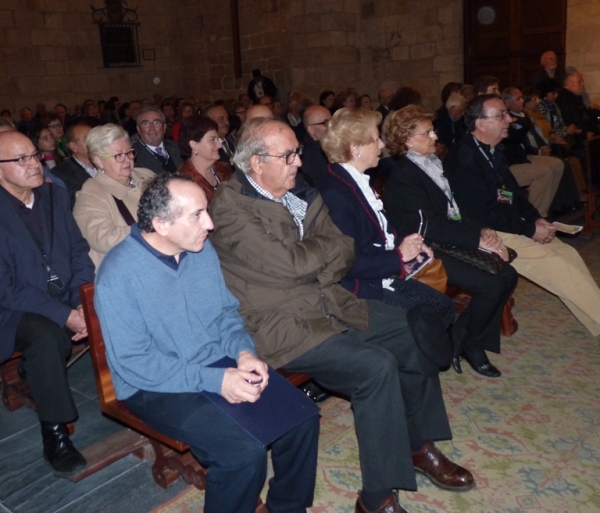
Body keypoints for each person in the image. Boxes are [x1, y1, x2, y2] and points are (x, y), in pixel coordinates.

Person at [210, 118, 475, 513]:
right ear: (256, 162)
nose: (299, 162)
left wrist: (315, 259)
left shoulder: (298, 192)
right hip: (281, 325)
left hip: (330, 303)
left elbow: (343, 246)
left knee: (410, 329)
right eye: (289, 155)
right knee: (375, 367)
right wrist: (319, 258)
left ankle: (417, 445)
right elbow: (289, 265)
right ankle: (376, 497)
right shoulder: (230, 208)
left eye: (297, 152)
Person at [94, 174, 319, 513]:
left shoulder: (198, 250)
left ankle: (288, 507)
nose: (209, 224)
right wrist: (216, 380)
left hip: (214, 361)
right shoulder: (119, 274)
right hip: (154, 386)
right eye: (197, 215)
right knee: (242, 454)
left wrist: (243, 353)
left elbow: (226, 314)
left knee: (302, 417)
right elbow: (135, 363)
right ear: (161, 224)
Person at [444, 94, 600, 336]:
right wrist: (529, 230)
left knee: (567, 253)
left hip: (504, 224)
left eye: (506, 113)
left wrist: (537, 219)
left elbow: (512, 193)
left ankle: (595, 322)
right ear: (480, 123)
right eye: (501, 115)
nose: (509, 119)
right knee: (557, 266)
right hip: (484, 235)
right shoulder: (464, 159)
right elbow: (483, 213)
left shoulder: (492, 151)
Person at [382, 105, 518, 377]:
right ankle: (471, 344)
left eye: (433, 131)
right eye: (427, 132)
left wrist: (482, 230)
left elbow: (455, 211)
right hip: (424, 250)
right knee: (490, 285)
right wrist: (476, 239)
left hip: (447, 239)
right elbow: (429, 226)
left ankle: (465, 334)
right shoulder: (404, 177)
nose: (435, 136)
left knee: (509, 274)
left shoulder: (432, 164)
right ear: (407, 139)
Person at [317, 107, 456, 345]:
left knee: (442, 306)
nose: (381, 145)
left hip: (381, 272)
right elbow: (348, 264)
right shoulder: (336, 194)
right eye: (375, 139)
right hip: (360, 289)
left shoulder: (355, 180)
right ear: (355, 148)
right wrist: (400, 256)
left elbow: (379, 233)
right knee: (436, 309)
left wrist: (408, 242)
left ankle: (423, 358)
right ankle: (415, 362)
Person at [0, 131, 95, 477]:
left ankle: (135, 398)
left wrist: (84, 298)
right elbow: (6, 288)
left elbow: (78, 251)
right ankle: (54, 434)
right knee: (47, 338)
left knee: (111, 307)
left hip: (62, 293)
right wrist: (65, 315)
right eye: (21, 159)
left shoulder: (54, 195)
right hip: (12, 308)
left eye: (34, 156)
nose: (34, 164)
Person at [73, 124, 155, 269]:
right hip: (126, 270)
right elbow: (105, 239)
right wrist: (155, 230)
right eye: (118, 155)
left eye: (129, 152)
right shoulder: (90, 195)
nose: (127, 160)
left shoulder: (147, 175)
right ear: (99, 161)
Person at [500, 87, 564, 218]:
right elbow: (513, 137)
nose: (522, 101)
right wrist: (519, 123)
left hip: (523, 155)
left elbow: (523, 136)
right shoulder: (505, 117)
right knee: (544, 172)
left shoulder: (522, 115)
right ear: (507, 102)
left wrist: (539, 151)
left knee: (557, 164)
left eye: (522, 97)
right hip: (511, 161)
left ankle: (543, 209)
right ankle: (533, 216)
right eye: (518, 98)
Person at [178, 115, 233, 206]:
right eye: (212, 140)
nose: (219, 145)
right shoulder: (184, 181)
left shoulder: (225, 169)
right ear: (194, 144)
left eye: (217, 139)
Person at [52, 124, 96, 208]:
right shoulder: (61, 174)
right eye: (87, 138)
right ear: (74, 147)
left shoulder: (107, 163)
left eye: (95, 137)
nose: (94, 141)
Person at [131, 106, 183, 174]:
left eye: (156, 123)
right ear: (138, 129)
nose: (152, 128)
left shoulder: (176, 147)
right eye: (146, 124)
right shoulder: (133, 156)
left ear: (164, 127)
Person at [300, 105, 331, 186]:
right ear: (311, 130)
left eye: (332, 121)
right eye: (326, 123)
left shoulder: (329, 146)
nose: (332, 126)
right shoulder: (310, 158)